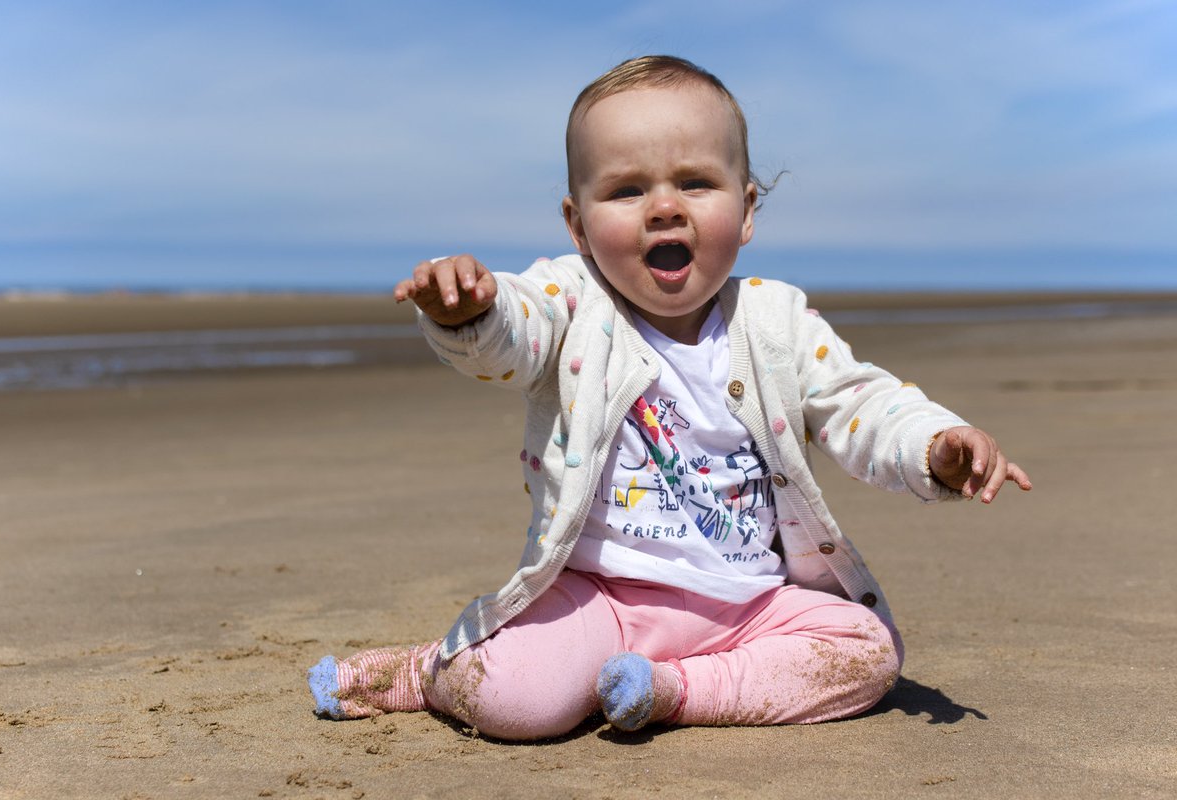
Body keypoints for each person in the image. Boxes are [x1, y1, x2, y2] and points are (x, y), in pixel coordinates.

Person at [306, 55, 1032, 740]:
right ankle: (425, 671)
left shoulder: (775, 322)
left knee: (866, 651)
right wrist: (467, 313)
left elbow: (861, 403)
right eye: (626, 190)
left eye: (695, 183)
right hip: (600, 595)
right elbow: (513, 335)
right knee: (513, 703)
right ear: (578, 225)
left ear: (746, 211)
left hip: (750, 602)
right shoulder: (574, 300)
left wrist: (933, 446)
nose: (662, 207)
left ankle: (676, 691)